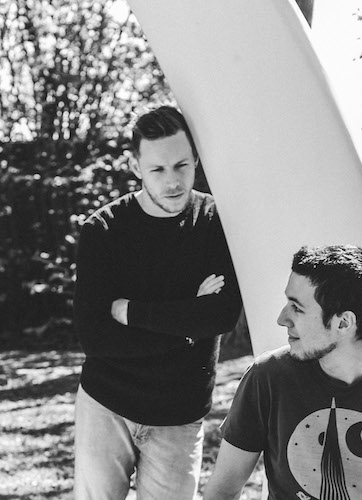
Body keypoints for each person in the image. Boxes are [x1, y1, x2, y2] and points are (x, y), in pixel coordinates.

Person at [204, 244, 362, 500]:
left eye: (297, 308)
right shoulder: (267, 376)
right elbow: (223, 491)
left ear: (343, 323)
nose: (282, 319)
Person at [73, 104, 242, 499]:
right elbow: (95, 339)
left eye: (181, 165)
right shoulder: (103, 230)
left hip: (179, 414)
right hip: (106, 405)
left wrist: (131, 312)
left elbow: (220, 315)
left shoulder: (216, 222)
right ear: (135, 166)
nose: (172, 182)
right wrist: (187, 323)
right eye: (157, 170)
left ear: (196, 159)